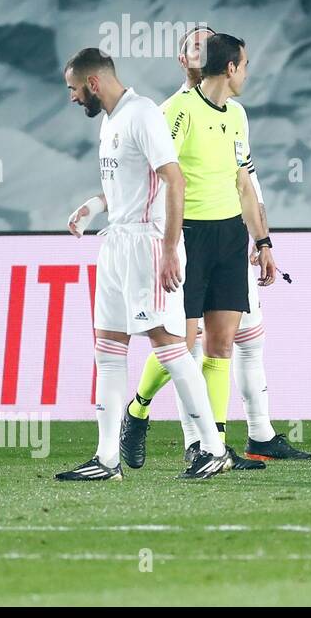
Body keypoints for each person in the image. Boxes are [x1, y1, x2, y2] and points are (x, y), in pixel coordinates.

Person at [58, 48, 230, 481]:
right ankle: (107, 460)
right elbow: (126, 186)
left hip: (148, 244)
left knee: (169, 345)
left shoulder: (143, 114)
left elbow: (175, 179)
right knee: (108, 348)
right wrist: (94, 206)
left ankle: (213, 448)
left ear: (93, 83)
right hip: (116, 242)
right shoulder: (110, 121)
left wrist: (171, 247)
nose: (73, 98)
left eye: (74, 89)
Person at [117, 32, 277, 471]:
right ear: (230, 68)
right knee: (182, 348)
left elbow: (243, 183)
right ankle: (137, 410)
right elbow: (157, 179)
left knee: (221, 346)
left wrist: (261, 242)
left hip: (229, 237)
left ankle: (214, 447)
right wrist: (165, 244)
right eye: (244, 65)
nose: (246, 73)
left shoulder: (239, 115)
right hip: (188, 237)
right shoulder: (176, 111)